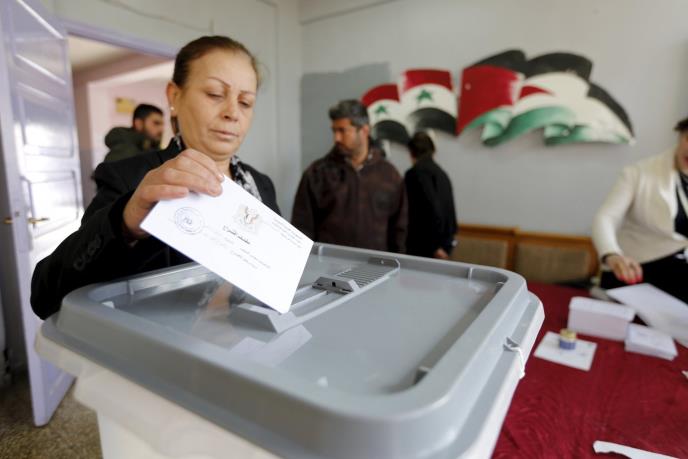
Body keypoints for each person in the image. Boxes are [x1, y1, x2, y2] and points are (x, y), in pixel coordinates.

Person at [31, 36, 278, 319]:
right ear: (174, 97)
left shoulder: (261, 185)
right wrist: (125, 222)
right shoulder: (128, 178)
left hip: (254, 339)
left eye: (245, 102)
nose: (232, 113)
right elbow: (45, 296)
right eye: (214, 94)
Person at [592, 116, 688, 302]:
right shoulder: (638, 172)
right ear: (680, 135)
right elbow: (606, 218)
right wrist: (612, 254)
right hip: (633, 270)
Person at [291, 99, 407, 253]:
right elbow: (302, 229)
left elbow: (399, 231)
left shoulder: (389, 175)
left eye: (342, 130)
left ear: (364, 130)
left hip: (375, 266)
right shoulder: (316, 173)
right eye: (334, 131)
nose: (336, 138)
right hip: (327, 265)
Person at [404, 132, 457, 259]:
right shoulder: (443, 174)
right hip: (443, 247)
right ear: (433, 151)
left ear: (411, 153)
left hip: (422, 246)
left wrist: (435, 246)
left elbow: (431, 208)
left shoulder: (413, 174)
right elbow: (450, 212)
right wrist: (447, 245)